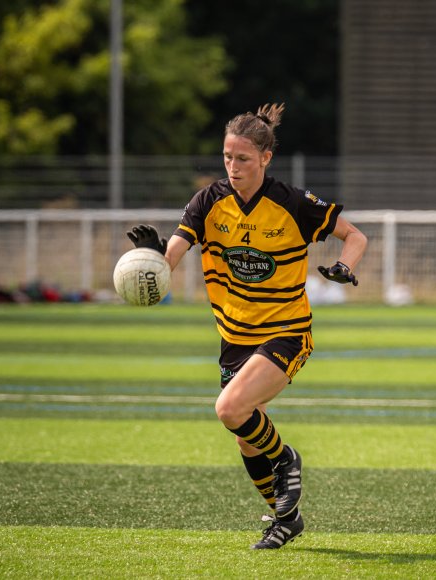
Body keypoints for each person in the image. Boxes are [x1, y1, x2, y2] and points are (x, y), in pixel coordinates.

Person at [126, 103, 367, 549]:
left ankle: (287, 459)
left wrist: (343, 265)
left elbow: (356, 236)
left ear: (265, 159)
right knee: (245, 439)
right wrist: (154, 259)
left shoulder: (291, 202)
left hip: (286, 330)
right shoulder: (208, 202)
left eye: (243, 159)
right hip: (234, 338)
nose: (233, 167)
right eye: (227, 157)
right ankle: (287, 519)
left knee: (229, 409)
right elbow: (173, 258)